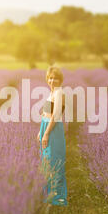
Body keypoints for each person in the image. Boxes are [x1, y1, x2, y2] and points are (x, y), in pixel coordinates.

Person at [37, 66, 68, 206]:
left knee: (54, 160)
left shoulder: (59, 93)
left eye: (55, 78)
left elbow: (55, 116)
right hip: (46, 127)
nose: (52, 80)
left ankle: (58, 197)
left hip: (53, 129)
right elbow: (45, 114)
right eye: (50, 77)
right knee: (46, 161)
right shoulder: (52, 92)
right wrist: (40, 131)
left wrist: (47, 133)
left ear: (60, 79)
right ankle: (48, 194)